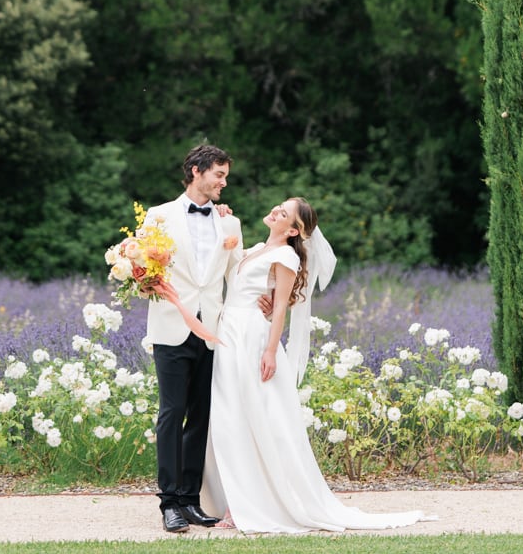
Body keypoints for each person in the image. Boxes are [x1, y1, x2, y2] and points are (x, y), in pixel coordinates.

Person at [200, 197, 433, 534]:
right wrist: (221, 216)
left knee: (252, 420)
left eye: (285, 212)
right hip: (229, 335)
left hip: (251, 340)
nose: (277, 210)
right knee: (229, 418)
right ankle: (237, 500)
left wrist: (269, 352)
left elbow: (280, 308)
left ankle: (250, 506)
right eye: (279, 205)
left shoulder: (286, 256)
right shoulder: (255, 249)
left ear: (294, 230)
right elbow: (234, 272)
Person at [143, 143, 243, 534]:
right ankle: (168, 503)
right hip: (171, 325)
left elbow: (236, 273)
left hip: (213, 329)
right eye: (219, 175)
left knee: (201, 415)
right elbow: (142, 270)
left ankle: (190, 501)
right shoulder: (159, 216)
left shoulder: (229, 223)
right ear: (197, 172)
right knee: (172, 413)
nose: (223, 183)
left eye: (226, 176)